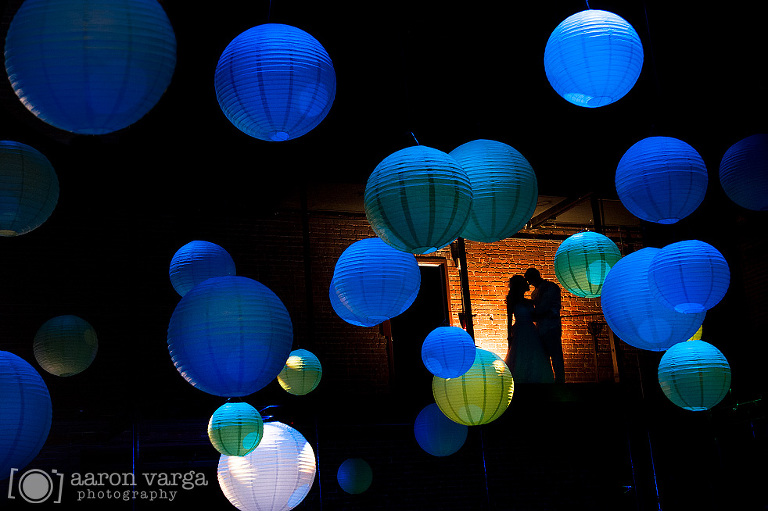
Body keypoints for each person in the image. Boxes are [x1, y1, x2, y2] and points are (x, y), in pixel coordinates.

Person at [505, 275, 554, 383]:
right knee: (521, 354)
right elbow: (508, 319)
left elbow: (535, 316)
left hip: (531, 329)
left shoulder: (529, 302)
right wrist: (509, 336)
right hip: (520, 330)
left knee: (534, 354)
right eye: (525, 283)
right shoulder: (513, 301)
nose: (528, 284)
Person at [524, 267, 565, 383]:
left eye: (530, 279)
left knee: (556, 355)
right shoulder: (536, 292)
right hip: (541, 327)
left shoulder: (550, 287)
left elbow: (549, 307)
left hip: (551, 326)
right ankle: (550, 380)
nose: (530, 283)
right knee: (545, 356)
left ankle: (560, 381)